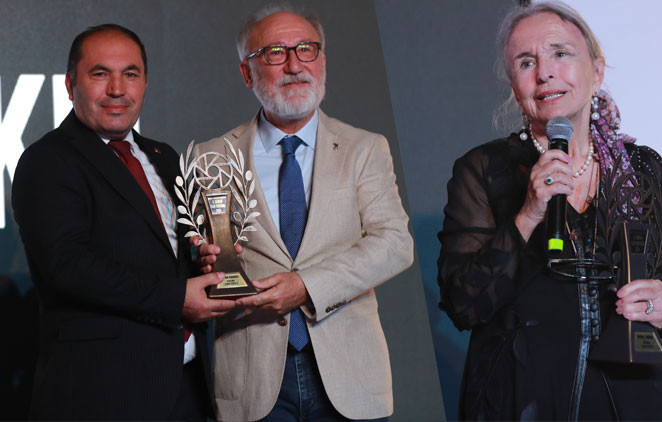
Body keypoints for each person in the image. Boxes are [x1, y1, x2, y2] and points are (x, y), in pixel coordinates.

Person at [437, 2, 662, 420]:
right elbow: (463, 303)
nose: (544, 73)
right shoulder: (483, 170)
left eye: (560, 53)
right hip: (524, 405)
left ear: (597, 71)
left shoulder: (647, 173)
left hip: (640, 403)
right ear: (515, 87)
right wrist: (529, 214)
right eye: (526, 62)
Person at [193, 4, 413, 421]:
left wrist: (305, 286)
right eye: (275, 53)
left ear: (322, 61)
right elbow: (210, 258)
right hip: (252, 382)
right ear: (247, 73)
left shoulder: (365, 149)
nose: (294, 66)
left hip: (350, 375)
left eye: (306, 49)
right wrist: (205, 260)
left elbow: (394, 244)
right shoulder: (210, 158)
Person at [12, 24, 236, 421]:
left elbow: (173, 250)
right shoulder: (47, 161)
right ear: (70, 85)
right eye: (100, 74)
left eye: (130, 74)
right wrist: (177, 297)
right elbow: (68, 267)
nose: (117, 89)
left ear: (145, 84)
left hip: (187, 387)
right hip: (102, 395)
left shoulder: (164, 157)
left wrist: (205, 257)